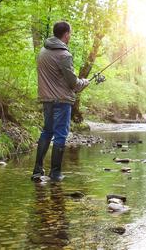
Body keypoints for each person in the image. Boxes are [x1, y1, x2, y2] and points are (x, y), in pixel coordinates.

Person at [32, 21, 89, 182]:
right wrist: (84, 82)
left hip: (46, 99)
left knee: (46, 132)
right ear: (66, 34)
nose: (70, 36)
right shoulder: (64, 55)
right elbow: (73, 83)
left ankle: (37, 170)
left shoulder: (43, 51)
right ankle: (55, 173)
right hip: (62, 101)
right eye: (69, 33)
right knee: (60, 135)